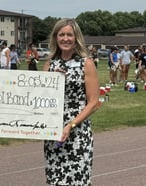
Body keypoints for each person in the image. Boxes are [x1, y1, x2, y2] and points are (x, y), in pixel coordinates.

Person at [43, 18, 99, 186]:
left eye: (69, 35)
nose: (65, 39)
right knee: (55, 181)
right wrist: (52, 80)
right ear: (55, 37)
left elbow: (94, 103)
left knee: (78, 181)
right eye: (61, 34)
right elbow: (41, 99)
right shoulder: (49, 64)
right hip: (54, 134)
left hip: (77, 133)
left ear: (76, 38)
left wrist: (71, 125)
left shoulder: (86, 64)